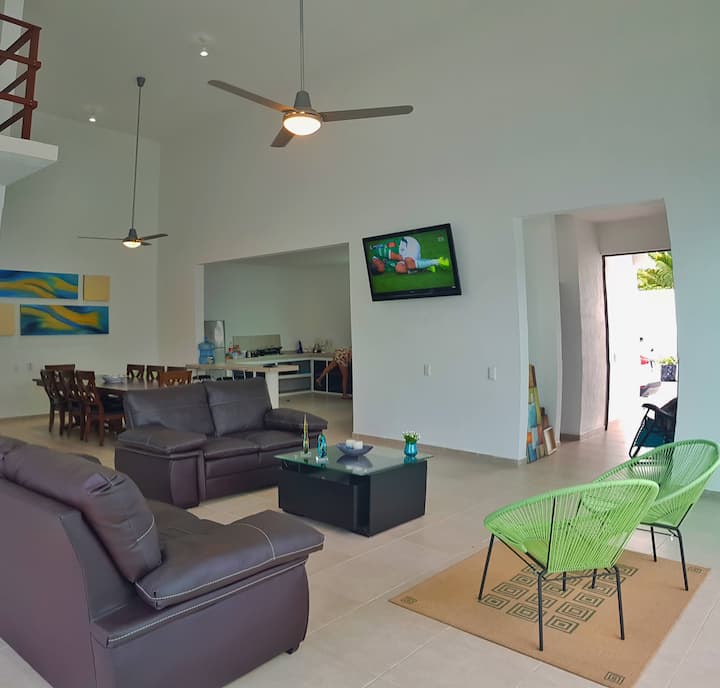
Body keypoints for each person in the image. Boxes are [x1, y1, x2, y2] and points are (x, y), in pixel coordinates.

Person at [370, 236, 450, 274]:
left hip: (408, 244)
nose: (384, 267)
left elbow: (399, 257)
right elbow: (398, 266)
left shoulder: (378, 252)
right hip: (406, 254)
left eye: (382, 266)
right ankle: (425, 267)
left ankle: (438, 261)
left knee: (409, 263)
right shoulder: (385, 267)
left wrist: (407, 263)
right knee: (399, 269)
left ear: (376, 262)